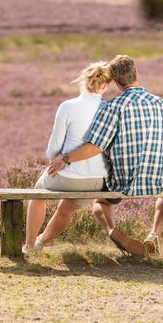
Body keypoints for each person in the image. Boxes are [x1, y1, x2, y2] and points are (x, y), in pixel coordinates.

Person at [48, 55, 163, 256]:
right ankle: (153, 235)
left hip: (124, 179)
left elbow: (95, 146)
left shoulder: (113, 106)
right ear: (137, 73)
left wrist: (65, 158)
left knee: (100, 203)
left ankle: (112, 230)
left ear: (116, 84)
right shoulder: (162, 104)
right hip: (158, 175)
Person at [23, 61, 113, 254]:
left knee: (37, 193)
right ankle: (41, 242)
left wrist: (53, 162)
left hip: (69, 176)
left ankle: (29, 245)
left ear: (83, 82)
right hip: (98, 181)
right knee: (66, 208)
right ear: (105, 86)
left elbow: (55, 145)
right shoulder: (110, 109)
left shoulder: (68, 107)